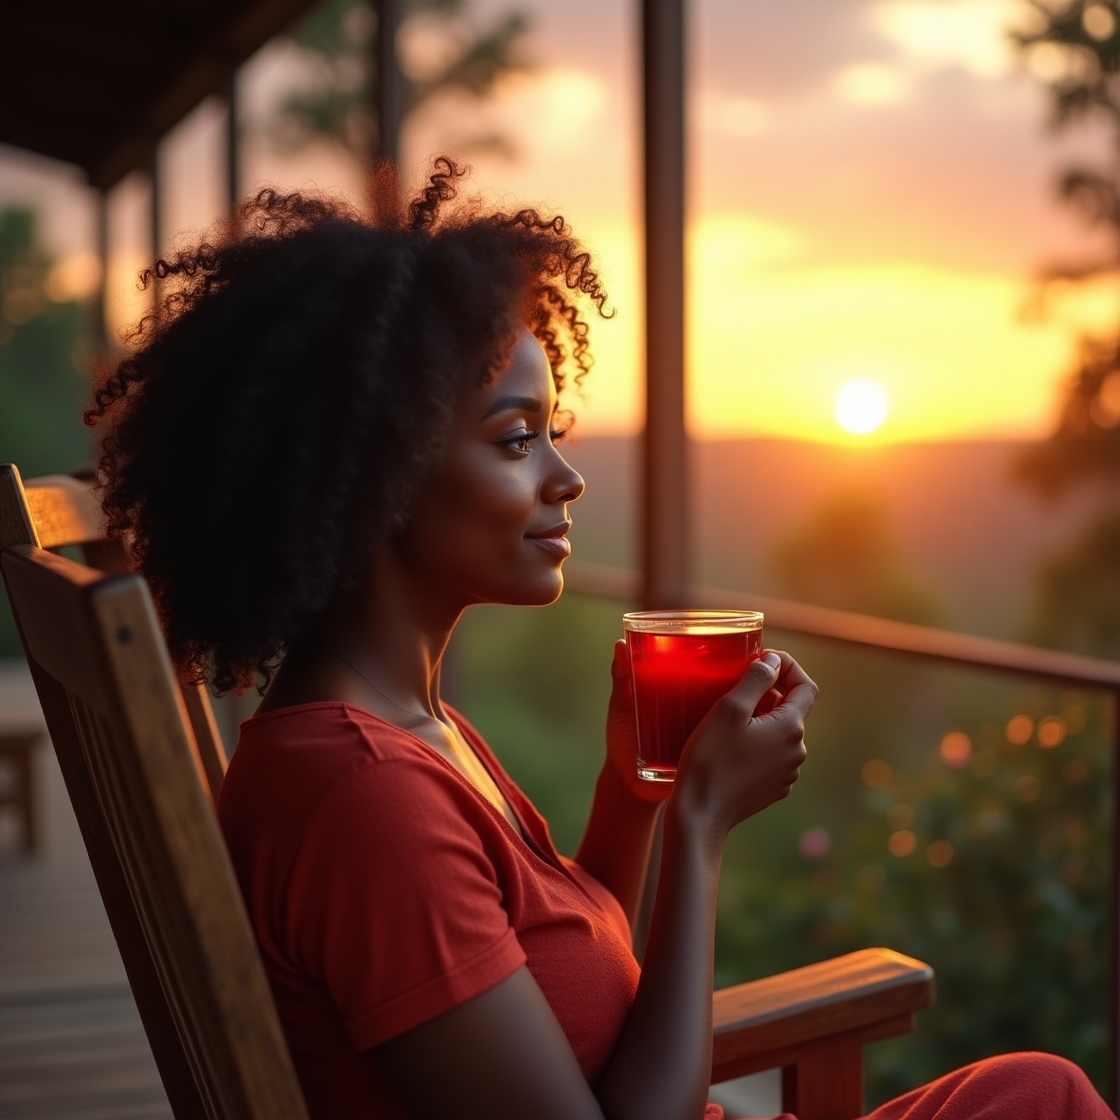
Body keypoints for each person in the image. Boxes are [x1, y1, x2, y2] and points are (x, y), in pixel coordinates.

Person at [85, 158, 1114, 1120]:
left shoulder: (409, 730)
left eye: (557, 432)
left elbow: (570, 992)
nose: (566, 478)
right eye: (516, 440)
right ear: (376, 476)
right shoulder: (364, 798)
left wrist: (633, 796)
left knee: (1035, 1089)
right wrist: (701, 827)